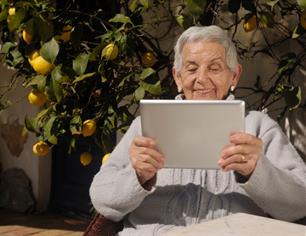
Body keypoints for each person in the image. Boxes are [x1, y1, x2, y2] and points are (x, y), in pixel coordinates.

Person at [89, 25, 306, 235]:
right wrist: (137, 176)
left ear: (234, 76)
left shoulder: (258, 128)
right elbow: (103, 200)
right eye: (192, 68)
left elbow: (300, 203)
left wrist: (258, 171)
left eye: (214, 68)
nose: (202, 79)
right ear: (177, 77)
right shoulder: (146, 126)